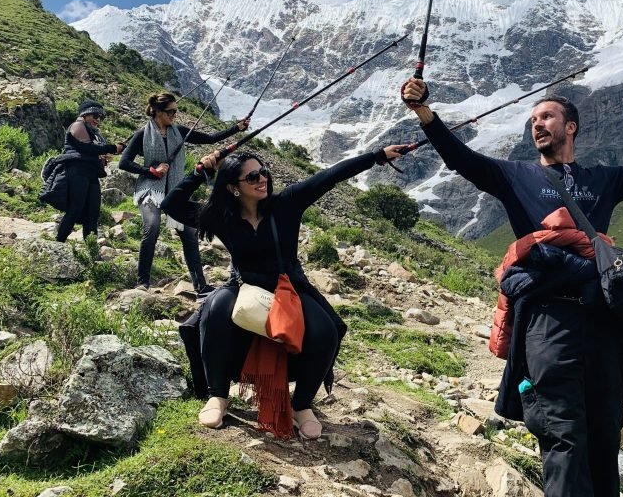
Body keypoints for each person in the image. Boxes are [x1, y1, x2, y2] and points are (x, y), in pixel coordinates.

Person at [401, 77, 623, 497]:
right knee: (562, 435)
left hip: (604, 322)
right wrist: (424, 113)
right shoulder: (514, 176)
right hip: (548, 322)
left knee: (604, 435)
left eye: (546, 117)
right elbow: (460, 159)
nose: (537, 125)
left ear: (571, 126)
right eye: (533, 120)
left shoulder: (603, 179)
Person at [161, 143, 408, 436]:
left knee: (324, 331)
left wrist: (377, 156)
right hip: (243, 283)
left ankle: (301, 404)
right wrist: (201, 171)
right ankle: (219, 395)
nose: (262, 179)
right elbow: (171, 205)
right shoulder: (220, 215)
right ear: (233, 188)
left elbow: (329, 176)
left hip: (287, 284)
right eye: (252, 177)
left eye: (263, 171)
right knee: (213, 314)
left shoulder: (286, 203)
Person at [119, 92, 250, 295]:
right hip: (150, 189)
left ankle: (201, 287)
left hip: (175, 191)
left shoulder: (178, 131)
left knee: (189, 235)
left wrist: (237, 128)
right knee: (152, 227)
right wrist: (150, 171)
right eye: (170, 111)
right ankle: (142, 283)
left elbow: (209, 139)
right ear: (157, 112)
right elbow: (124, 162)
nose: (174, 115)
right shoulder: (142, 135)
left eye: (175, 111)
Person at [55, 99, 126, 244]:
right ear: (85, 114)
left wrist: (103, 158)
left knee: (92, 214)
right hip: (77, 173)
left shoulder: (95, 134)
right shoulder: (77, 125)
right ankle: (58, 243)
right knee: (75, 210)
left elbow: (94, 152)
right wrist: (113, 148)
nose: (97, 119)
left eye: (100, 117)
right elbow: (87, 148)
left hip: (92, 175)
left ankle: (92, 251)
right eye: (95, 115)